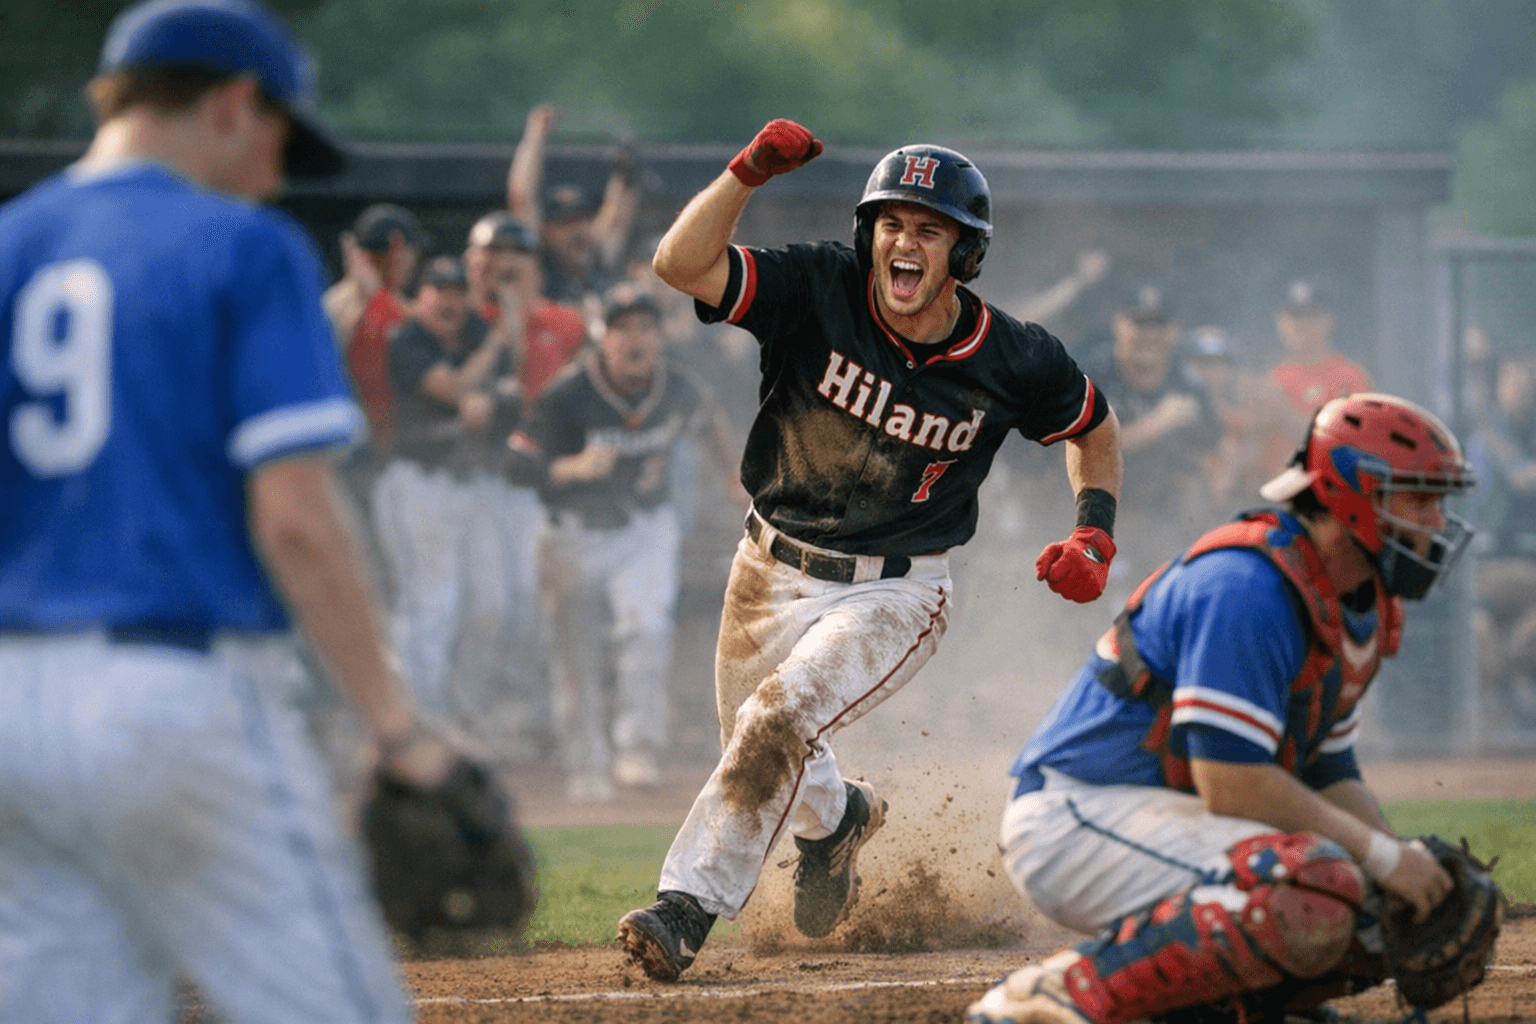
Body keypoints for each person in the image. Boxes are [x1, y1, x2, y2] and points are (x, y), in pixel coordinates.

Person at [0, 1, 459, 1021]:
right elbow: (295, 518)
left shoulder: (10, 246)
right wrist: (394, 727)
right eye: (278, 140)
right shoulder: (244, 245)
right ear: (233, 103)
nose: (277, 173)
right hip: (174, 700)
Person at [615, 119, 1123, 982]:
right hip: (766, 566)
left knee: (776, 722)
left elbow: (1093, 426)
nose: (904, 240)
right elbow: (679, 265)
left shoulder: (1010, 355)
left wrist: (1094, 528)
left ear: (965, 255)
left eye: (930, 228)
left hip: (895, 592)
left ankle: (685, 907)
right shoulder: (821, 285)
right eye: (891, 221)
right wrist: (744, 173)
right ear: (867, 234)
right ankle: (840, 819)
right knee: (761, 738)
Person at [966, 392, 1477, 1024]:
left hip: (1161, 817)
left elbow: (1332, 773)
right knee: (1316, 885)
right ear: (1354, 495)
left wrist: (1401, 871)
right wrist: (1384, 860)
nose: (1436, 520)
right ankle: (1057, 995)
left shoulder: (1353, 600)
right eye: (1421, 498)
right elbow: (1233, 784)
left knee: (1370, 906)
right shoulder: (1249, 586)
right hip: (1076, 816)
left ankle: (1232, 1009)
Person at [509, 283, 745, 802]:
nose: (634, 339)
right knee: (576, 654)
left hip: (644, 528)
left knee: (646, 632)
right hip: (572, 535)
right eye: (622, 329)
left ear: (659, 336)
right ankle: (585, 761)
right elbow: (518, 463)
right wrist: (571, 467)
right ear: (602, 338)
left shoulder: (676, 387)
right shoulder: (570, 394)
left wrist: (732, 475)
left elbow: (709, 422)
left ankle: (639, 751)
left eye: (644, 328)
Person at [373, 255, 521, 740]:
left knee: (492, 603)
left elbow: (511, 392)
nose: (450, 299)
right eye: (439, 290)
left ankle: (468, 707)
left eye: (458, 290)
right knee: (431, 600)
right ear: (422, 297)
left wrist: (492, 387)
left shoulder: (477, 330)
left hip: (472, 483)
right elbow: (454, 388)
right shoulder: (406, 338)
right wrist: (493, 354)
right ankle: (417, 716)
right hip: (417, 481)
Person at [1078, 285, 1222, 577]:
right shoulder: (1094, 376)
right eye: (1140, 323)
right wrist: (1158, 422)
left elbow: (1216, 448)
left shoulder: (1187, 384)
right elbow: (1077, 452)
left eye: (1160, 323)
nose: (1150, 334)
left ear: (1175, 331)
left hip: (1162, 525)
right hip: (1085, 523)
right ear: (1119, 325)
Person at [506, 102, 641, 319]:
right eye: (565, 223)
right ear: (546, 233)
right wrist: (535, 136)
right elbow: (522, 198)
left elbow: (616, 219)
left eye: (582, 220)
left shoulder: (597, 259)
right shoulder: (541, 266)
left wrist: (623, 172)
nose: (576, 230)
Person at [322, 202, 429, 449]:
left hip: (383, 441)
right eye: (413, 250)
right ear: (397, 247)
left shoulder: (387, 300)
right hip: (354, 445)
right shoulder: (344, 303)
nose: (414, 261)